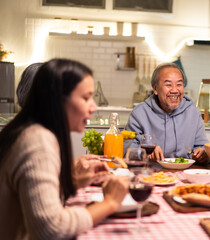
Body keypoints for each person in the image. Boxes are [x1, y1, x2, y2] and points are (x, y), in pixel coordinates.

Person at [0, 58, 128, 240]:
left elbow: (31, 200)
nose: (94, 107)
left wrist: (73, 180)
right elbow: (50, 228)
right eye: (85, 97)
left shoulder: (31, 130)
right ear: (58, 100)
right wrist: (110, 203)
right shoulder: (37, 141)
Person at [125, 62, 209, 164]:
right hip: (151, 174)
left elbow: (202, 147)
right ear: (155, 88)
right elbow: (127, 151)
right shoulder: (139, 114)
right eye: (168, 85)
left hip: (186, 174)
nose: (174, 90)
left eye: (179, 84)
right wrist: (146, 153)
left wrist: (203, 154)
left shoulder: (193, 113)